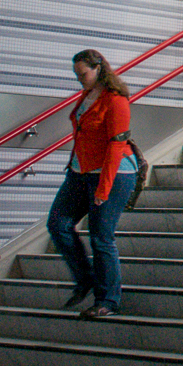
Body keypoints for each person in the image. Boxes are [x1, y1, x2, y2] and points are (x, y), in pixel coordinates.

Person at [47, 49, 139, 319]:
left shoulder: (116, 100)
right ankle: (85, 279)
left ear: (98, 68)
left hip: (114, 173)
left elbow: (116, 145)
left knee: (101, 237)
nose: (79, 80)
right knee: (58, 224)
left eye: (83, 74)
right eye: (76, 75)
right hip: (80, 170)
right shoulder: (87, 95)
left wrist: (103, 188)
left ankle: (108, 300)